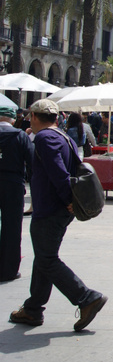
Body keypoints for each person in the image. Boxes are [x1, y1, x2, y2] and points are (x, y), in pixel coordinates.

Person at [9, 99, 107, 331]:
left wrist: (67, 200)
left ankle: (86, 297)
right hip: (57, 207)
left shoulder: (45, 138)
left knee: (47, 259)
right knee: (45, 257)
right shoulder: (63, 136)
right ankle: (33, 309)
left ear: (33, 116)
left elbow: (58, 172)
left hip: (51, 208)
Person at [0, 105, 32, 282]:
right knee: (12, 228)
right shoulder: (20, 136)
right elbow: (32, 161)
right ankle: (8, 270)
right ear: (13, 119)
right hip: (13, 184)